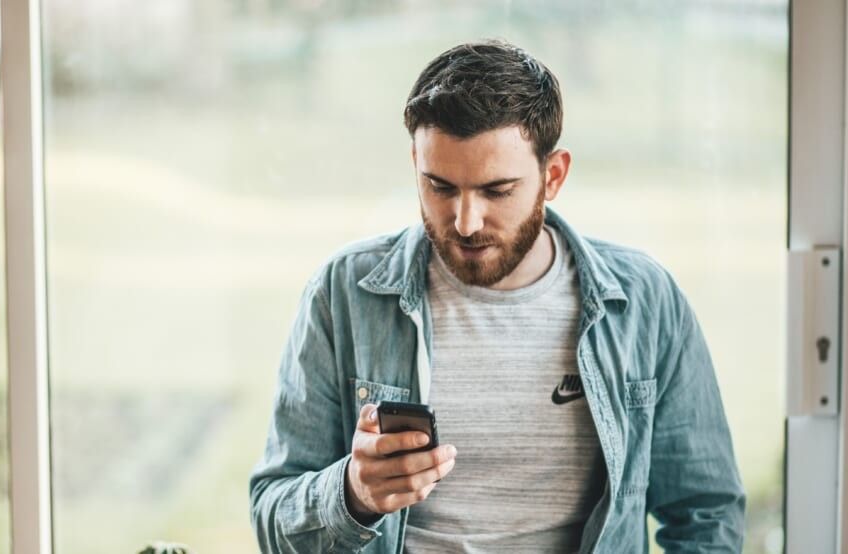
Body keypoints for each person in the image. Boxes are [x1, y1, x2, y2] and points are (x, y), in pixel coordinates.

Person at [249, 39, 745, 553]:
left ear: (553, 176)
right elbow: (272, 515)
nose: (465, 222)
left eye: (496, 191)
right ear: (415, 162)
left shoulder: (645, 302)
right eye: (439, 187)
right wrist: (353, 494)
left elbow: (705, 514)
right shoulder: (343, 295)